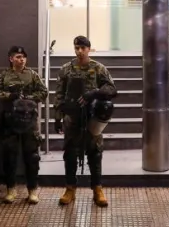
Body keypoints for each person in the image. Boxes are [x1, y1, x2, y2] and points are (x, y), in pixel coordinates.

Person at [54, 35, 116, 208]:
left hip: (92, 120)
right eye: (76, 48)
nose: (79, 51)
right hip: (72, 118)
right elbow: (59, 94)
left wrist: (95, 93)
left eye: (83, 48)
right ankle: (70, 189)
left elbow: (112, 88)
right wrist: (57, 117)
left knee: (95, 154)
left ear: (89, 48)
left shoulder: (98, 68)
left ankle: (97, 189)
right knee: (70, 155)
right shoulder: (66, 69)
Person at [0, 45, 48, 205]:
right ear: (11, 59)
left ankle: (32, 190)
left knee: (32, 157)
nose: (21, 59)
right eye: (17, 57)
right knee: (9, 157)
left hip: (29, 121)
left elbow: (43, 92)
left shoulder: (32, 75)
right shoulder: (4, 76)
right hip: (10, 121)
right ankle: (11, 189)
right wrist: (11, 95)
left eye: (23, 57)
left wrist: (29, 98)